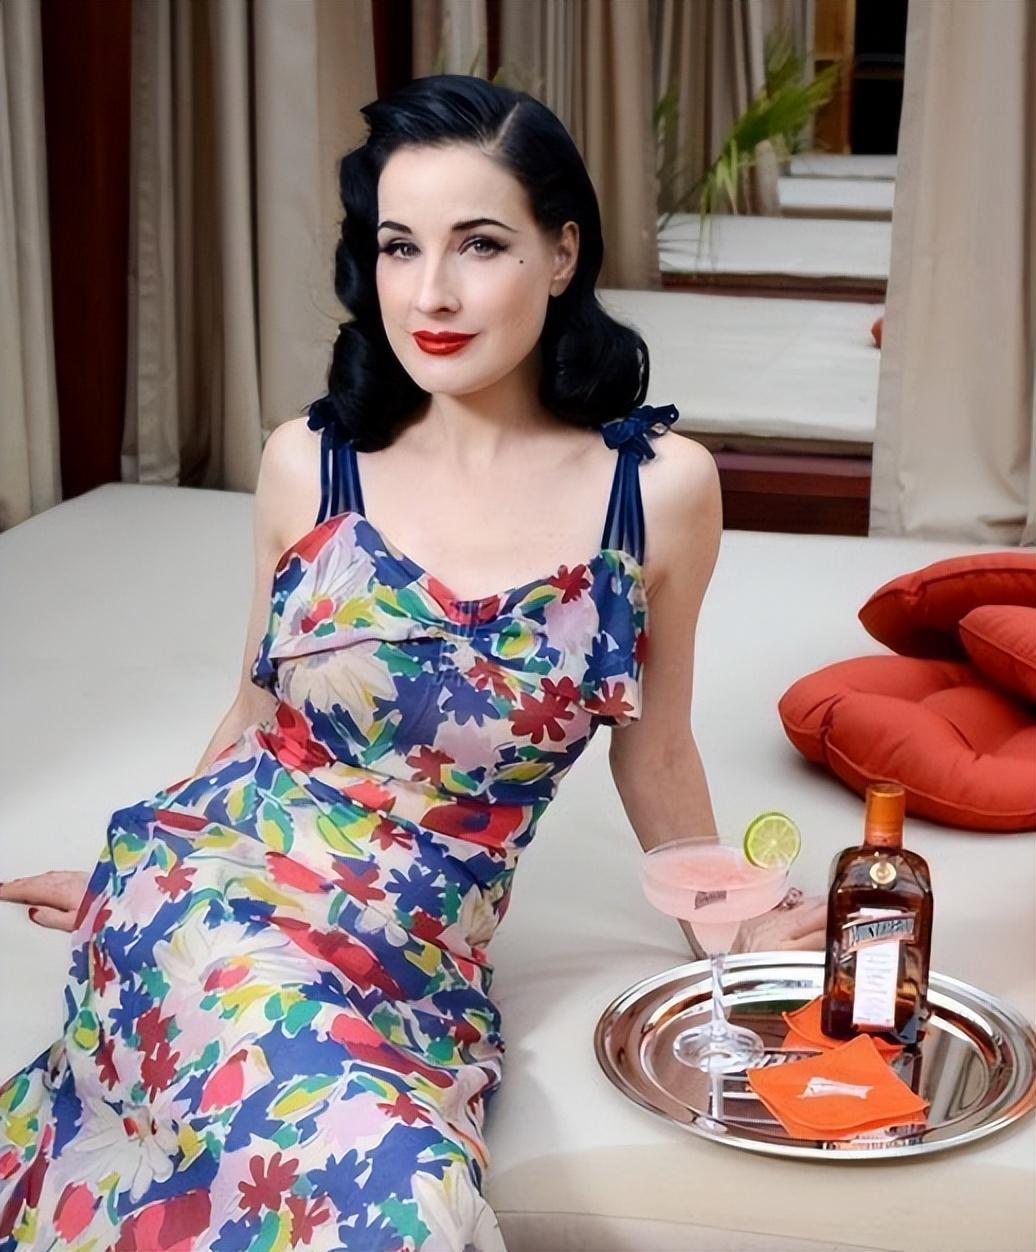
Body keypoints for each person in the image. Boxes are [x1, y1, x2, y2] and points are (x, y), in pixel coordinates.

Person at [0, 74, 825, 1250]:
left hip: (416, 959)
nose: (429, 292)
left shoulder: (658, 493)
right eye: (399, 246)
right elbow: (253, 710)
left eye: (478, 244)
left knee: (416, 1191)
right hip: (211, 894)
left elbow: (656, 751)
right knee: (390, 1201)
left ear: (561, 252)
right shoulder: (310, 463)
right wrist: (129, 873)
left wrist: (724, 926)